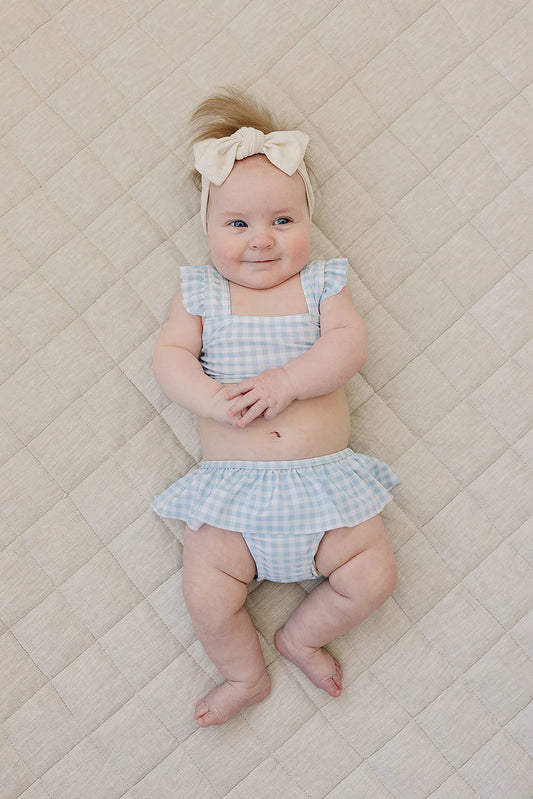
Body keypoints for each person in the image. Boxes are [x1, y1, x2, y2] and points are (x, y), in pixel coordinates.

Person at [151, 89, 399, 727]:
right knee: (206, 596)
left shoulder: (322, 284)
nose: (262, 240)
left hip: (325, 490)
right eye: (237, 224)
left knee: (372, 576)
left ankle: (301, 637)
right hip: (233, 496)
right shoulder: (201, 293)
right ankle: (244, 674)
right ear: (208, 228)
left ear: (308, 221)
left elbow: (348, 346)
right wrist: (208, 396)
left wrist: (290, 380)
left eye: (283, 221)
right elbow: (172, 356)